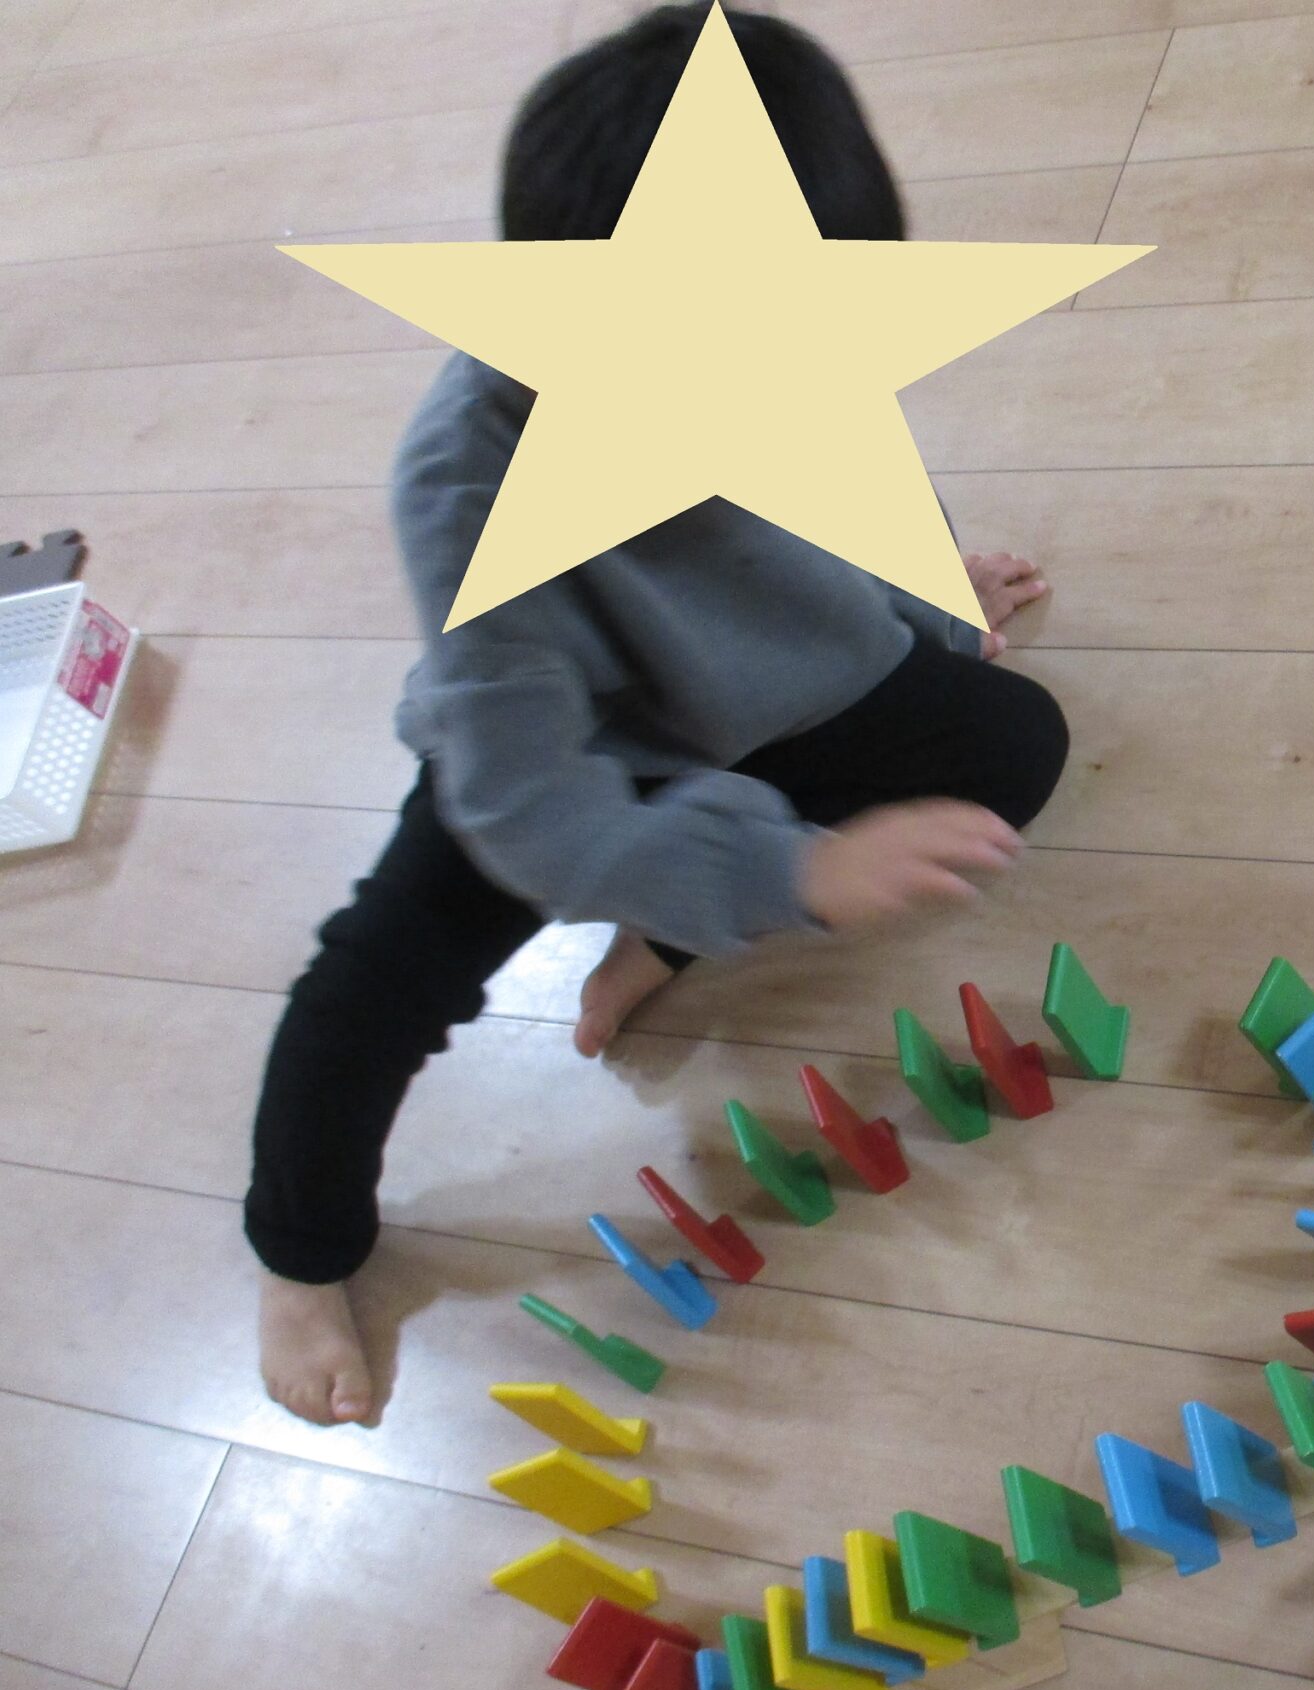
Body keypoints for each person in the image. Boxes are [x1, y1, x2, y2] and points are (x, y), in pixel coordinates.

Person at [247, 3, 1067, 1426]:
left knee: (1014, 744)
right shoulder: (466, 479)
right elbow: (528, 809)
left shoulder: (792, 343)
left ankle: (664, 930)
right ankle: (299, 1252)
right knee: (370, 989)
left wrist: (937, 595)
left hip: (784, 681)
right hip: (570, 756)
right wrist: (795, 871)